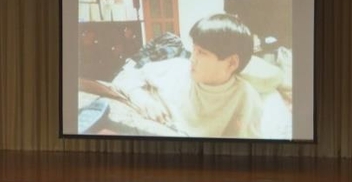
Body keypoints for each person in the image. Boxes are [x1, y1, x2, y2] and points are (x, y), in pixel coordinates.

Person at [113, 13, 263, 138]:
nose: (192, 58)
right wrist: (141, 97)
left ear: (231, 63)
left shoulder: (246, 97)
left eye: (202, 53)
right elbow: (124, 77)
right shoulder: (177, 68)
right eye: (194, 49)